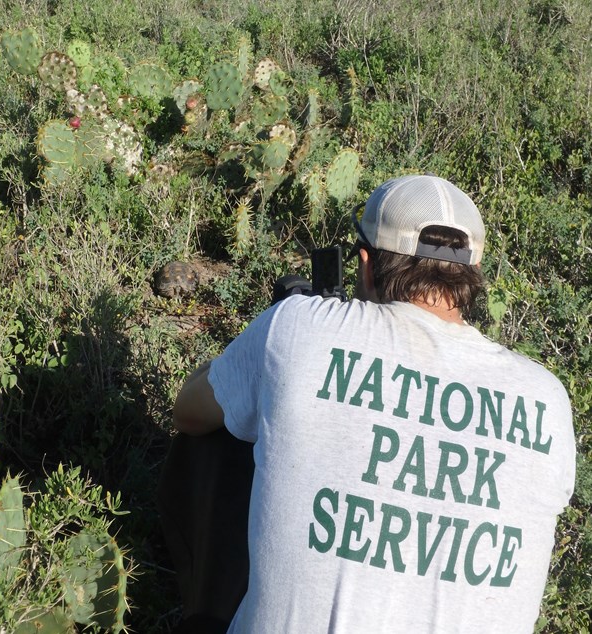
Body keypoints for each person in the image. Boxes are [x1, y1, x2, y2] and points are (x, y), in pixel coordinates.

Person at [160, 174, 576, 633]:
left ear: (365, 263)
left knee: (227, 431)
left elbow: (189, 411)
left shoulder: (302, 326)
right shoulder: (547, 397)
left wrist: (265, 341)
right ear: (471, 277)